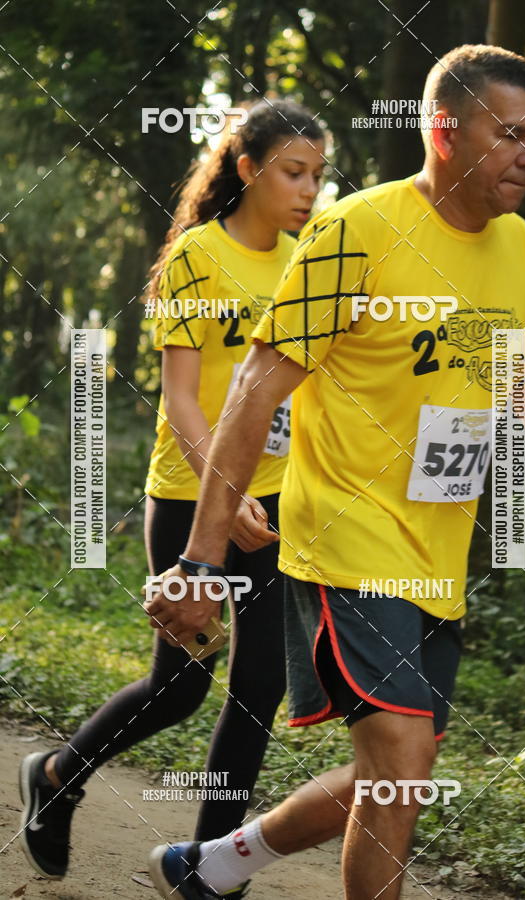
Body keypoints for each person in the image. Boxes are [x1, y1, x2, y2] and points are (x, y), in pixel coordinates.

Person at [146, 45, 525, 900]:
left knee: (403, 773)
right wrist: (201, 563)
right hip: (344, 535)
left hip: (437, 550)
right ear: (442, 131)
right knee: (397, 757)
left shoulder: (522, 250)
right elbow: (255, 385)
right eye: (510, 134)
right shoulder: (360, 228)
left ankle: (213, 864)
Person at [18, 98, 325, 898]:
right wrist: (230, 490)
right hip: (193, 494)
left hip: (279, 504)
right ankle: (57, 774)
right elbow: (182, 399)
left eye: (319, 176)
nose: (308, 190)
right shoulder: (198, 255)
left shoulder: (307, 262)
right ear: (250, 168)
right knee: (182, 685)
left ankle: (209, 868)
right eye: (294, 172)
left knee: (259, 690)